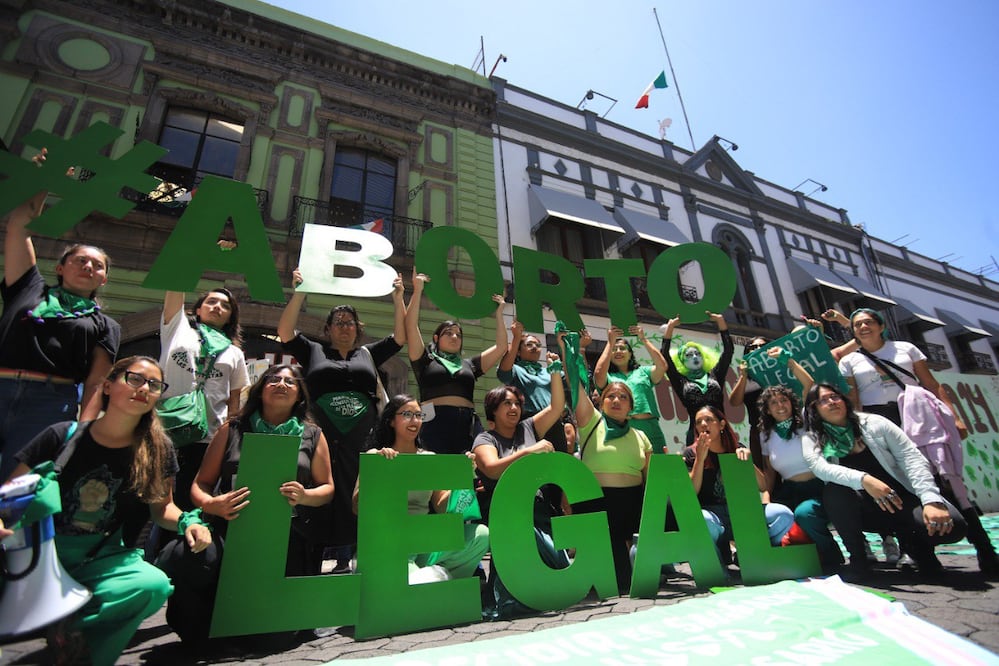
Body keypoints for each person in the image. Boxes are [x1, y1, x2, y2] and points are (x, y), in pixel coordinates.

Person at [9, 356, 211, 665]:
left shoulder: (159, 449)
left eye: (154, 385)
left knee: (152, 585)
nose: (144, 388)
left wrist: (188, 523)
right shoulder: (61, 436)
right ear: (107, 385)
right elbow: (9, 495)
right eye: (134, 379)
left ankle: (74, 637)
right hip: (41, 552)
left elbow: (163, 509)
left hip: (101, 557)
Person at [163, 365, 333, 643]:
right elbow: (200, 484)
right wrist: (212, 504)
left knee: (277, 634)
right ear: (260, 389)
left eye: (290, 382)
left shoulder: (312, 434)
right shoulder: (232, 429)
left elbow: (327, 488)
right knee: (201, 612)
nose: (281, 385)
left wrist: (305, 496)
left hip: (287, 534)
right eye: (274, 379)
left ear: (300, 396)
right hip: (230, 527)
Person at [836, 308, 996, 572]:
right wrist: (859, 431)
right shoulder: (850, 361)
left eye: (868, 322)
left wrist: (954, 417)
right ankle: (917, 553)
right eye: (857, 325)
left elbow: (932, 384)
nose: (863, 327)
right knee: (896, 484)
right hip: (880, 419)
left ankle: (985, 551)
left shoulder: (906, 349)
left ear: (880, 325)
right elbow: (855, 401)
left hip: (917, 415)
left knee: (945, 480)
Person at [278, 267, 405, 573]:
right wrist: (299, 293)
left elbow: (400, 338)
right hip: (321, 437)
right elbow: (284, 333)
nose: (344, 327)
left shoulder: (368, 354)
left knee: (357, 494)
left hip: (360, 437)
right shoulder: (314, 350)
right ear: (329, 328)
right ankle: (309, 564)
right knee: (320, 491)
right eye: (338, 322)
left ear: (357, 328)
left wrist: (399, 297)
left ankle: (358, 565)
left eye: (349, 323)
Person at [1, 159, 120, 481]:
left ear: (104, 279)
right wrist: (47, 179)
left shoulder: (105, 325)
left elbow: (96, 383)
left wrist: (82, 433)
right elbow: (19, 225)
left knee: (16, 488)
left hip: (50, 404)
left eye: (97, 266)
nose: (88, 267)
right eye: (80, 260)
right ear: (60, 267)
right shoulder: (28, 288)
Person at [801, 383, 967, 580]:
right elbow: (823, 469)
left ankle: (917, 548)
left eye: (834, 396)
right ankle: (859, 560)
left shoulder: (875, 423)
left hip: (900, 500)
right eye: (822, 400)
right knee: (834, 492)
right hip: (865, 510)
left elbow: (911, 458)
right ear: (814, 410)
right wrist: (865, 480)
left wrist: (931, 500)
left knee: (953, 526)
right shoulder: (813, 438)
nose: (831, 402)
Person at [355, 394, 489, 580]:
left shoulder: (429, 458)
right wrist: (380, 472)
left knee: (481, 535)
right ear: (391, 421)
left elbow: (442, 506)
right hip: (391, 543)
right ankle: (429, 579)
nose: (415, 420)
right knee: (418, 583)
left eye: (419, 415)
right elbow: (356, 507)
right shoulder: (376, 456)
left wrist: (463, 479)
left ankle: (437, 581)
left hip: (423, 541)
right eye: (407, 414)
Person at [158, 288, 249, 511]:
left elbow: (234, 400)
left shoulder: (234, 352)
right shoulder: (177, 328)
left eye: (225, 306)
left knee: (188, 501)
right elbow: (174, 289)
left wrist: (229, 438)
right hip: (165, 428)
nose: (217, 307)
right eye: (211, 302)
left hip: (206, 438)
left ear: (230, 317)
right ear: (198, 309)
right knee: (152, 497)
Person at [405, 270, 506, 455]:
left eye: (458, 335)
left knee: (468, 473)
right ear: (436, 338)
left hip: (467, 423)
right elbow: (411, 326)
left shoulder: (469, 365)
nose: (454, 337)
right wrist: (417, 290)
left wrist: (499, 313)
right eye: (448, 333)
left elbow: (501, 347)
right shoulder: (424, 360)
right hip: (433, 422)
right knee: (436, 475)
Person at [684, 405, 793, 567]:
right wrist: (700, 459)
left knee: (783, 515)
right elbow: (691, 492)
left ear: (721, 425)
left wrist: (748, 463)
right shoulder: (690, 453)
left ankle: (751, 553)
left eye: (709, 420)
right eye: (699, 422)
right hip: (714, 516)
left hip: (743, 514)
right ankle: (716, 567)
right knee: (701, 521)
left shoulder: (737, 448)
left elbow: (763, 486)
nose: (703, 425)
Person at [570, 379, 652, 593]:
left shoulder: (641, 437)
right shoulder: (591, 422)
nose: (616, 400)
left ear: (631, 407)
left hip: (632, 505)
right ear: (601, 402)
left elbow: (650, 480)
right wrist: (569, 350)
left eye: (623, 397)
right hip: (597, 505)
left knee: (626, 577)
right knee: (618, 581)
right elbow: (576, 390)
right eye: (611, 396)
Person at [756, 385, 843, 570]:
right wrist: (766, 500)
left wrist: (789, 360)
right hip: (788, 491)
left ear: (791, 403)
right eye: (774, 403)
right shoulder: (766, 434)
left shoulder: (806, 422)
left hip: (818, 487)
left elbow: (808, 385)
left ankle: (831, 555)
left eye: (784, 400)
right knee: (769, 519)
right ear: (768, 410)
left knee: (804, 514)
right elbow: (769, 471)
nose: (780, 405)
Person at [730, 341, 815, 470]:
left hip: (791, 426)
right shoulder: (746, 379)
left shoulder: (783, 369)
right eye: (753, 348)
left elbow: (807, 384)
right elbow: (734, 402)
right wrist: (743, 376)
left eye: (763, 346)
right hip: (760, 432)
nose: (758, 349)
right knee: (765, 469)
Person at [593, 325, 669, 455]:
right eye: (614, 350)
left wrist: (643, 339)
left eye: (622, 348)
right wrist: (610, 343)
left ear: (630, 354)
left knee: (658, 469)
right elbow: (598, 373)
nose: (618, 352)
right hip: (622, 428)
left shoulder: (643, 371)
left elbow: (662, 366)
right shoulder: (609, 377)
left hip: (651, 428)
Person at [661, 312, 734, 445]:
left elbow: (728, 350)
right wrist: (670, 327)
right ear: (682, 361)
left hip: (721, 432)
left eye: (697, 353)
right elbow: (664, 356)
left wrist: (720, 321)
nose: (695, 357)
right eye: (689, 355)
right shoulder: (681, 381)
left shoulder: (715, 374)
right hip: (696, 434)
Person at [497, 321, 569, 452]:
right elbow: (503, 371)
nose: (534, 347)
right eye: (529, 344)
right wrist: (516, 338)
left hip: (554, 422)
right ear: (519, 351)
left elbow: (571, 381)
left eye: (538, 345)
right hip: (529, 422)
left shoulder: (549, 370)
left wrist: (563, 348)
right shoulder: (517, 370)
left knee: (558, 464)